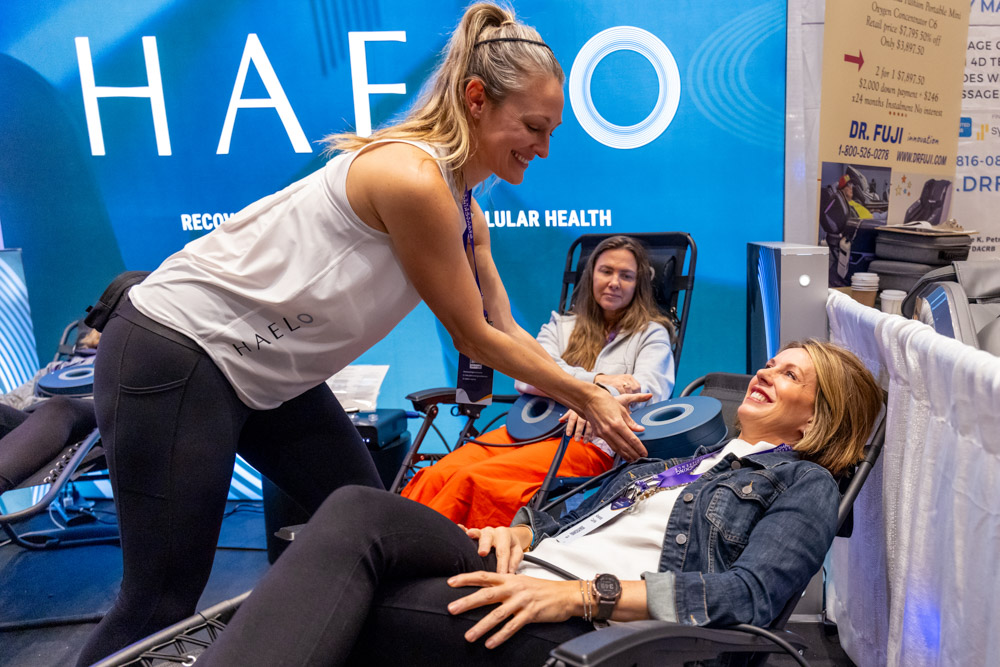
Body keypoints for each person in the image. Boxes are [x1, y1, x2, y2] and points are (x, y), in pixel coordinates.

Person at [76, 4, 647, 664]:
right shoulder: (411, 177)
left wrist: (591, 380)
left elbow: (506, 331)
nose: (543, 148)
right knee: (159, 599)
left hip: (268, 374)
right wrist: (585, 396)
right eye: (533, 127)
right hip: (180, 350)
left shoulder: (466, 208)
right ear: (476, 99)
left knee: (377, 524)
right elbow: (473, 337)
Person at [197, 340, 883, 666]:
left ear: (819, 417)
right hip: (536, 569)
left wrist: (587, 595)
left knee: (353, 602)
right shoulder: (694, 460)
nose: (766, 371)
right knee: (357, 509)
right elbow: (581, 506)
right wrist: (524, 527)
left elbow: (750, 596)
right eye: (774, 361)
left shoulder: (804, 484)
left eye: (791, 374)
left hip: (591, 623)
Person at [402, 235, 674, 527]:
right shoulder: (561, 325)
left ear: (639, 285)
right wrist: (597, 383)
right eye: (606, 271)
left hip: (590, 441)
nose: (614, 282)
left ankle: (435, 557)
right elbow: (525, 376)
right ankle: (392, 547)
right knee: (436, 475)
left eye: (626, 275)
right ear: (591, 274)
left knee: (473, 480)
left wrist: (587, 396)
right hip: (526, 428)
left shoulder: (652, 334)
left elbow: (648, 392)